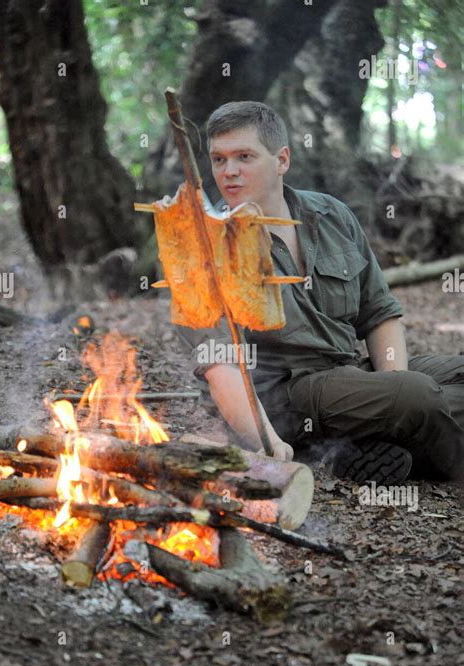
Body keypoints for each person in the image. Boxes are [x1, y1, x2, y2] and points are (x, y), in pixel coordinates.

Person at [175, 101, 463, 486]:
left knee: (420, 393)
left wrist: (389, 393)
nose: (229, 172)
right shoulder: (203, 250)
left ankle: (366, 443)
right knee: (422, 397)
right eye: (218, 159)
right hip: (286, 398)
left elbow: (378, 312)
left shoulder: (331, 214)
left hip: (349, 375)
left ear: (282, 160)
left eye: (244, 157)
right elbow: (220, 366)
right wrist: (268, 444)